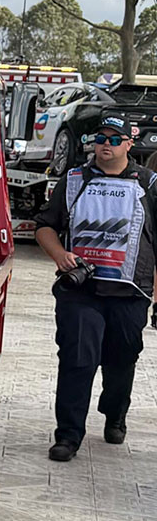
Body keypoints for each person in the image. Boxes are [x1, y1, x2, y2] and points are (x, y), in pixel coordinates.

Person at [34, 115, 157, 461]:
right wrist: (59, 255)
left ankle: (115, 413)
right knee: (77, 360)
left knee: (122, 360)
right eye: (100, 138)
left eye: (115, 139)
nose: (106, 144)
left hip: (130, 293)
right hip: (81, 291)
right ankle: (68, 436)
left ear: (129, 144)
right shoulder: (74, 180)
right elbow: (45, 226)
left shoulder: (149, 184)